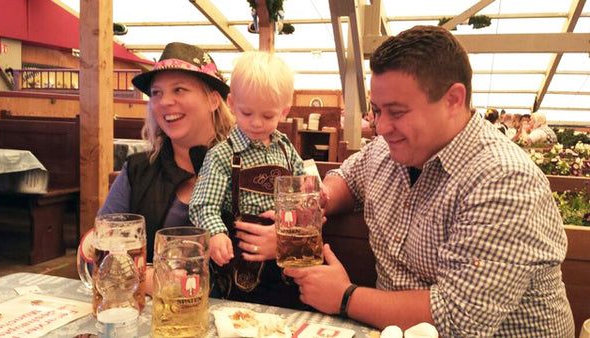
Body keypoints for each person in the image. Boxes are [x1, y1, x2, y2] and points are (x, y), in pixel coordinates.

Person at [284, 25, 574, 336]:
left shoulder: (504, 179)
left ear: (453, 99)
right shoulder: (387, 151)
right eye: (377, 111)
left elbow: (457, 320)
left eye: (396, 112)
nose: (380, 128)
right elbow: (347, 179)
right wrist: (316, 204)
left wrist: (344, 297)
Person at [98, 42, 235, 265]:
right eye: (156, 93)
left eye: (179, 89)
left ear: (213, 100)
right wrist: (146, 279)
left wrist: (273, 243)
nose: (164, 101)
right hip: (159, 298)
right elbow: (98, 246)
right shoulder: (138, 169)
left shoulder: (249, 163)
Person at [189, 51, 305, 308]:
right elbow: (202, 205)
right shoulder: (222, 154)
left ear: (284, 111)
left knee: (284, 310)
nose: (256, 123)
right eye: (247, 112)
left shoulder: (285, 148)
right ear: (231, 104)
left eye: (267, 116)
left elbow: (302, 188)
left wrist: (313, 198)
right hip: (240, 257)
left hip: (282, 252)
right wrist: (217, 234)